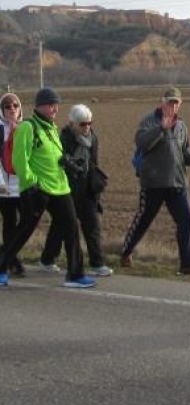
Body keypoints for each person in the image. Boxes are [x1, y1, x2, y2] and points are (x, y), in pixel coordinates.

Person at [0, 87, 96, 288]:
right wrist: (30, 183)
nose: (55, 108)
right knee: (24, 229)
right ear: (40, 106)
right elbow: (19, 159)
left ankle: (75, 275)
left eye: (56, 104)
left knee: (71, 227)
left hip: (60, 187)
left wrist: (69, 164)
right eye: (51, 104)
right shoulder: (28, 127)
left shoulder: (51, 127)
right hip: (39, 188)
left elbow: (54, 155)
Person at [120, 87, 190, 274]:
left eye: (176, 103)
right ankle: (126, 252)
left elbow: (184, 152)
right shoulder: (149, 121)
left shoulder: (182, 126)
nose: (173, 106)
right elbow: (142, 143)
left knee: (187, 220)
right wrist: (161, 128)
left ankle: (188, 265)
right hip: (153, 183)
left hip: (177, 183)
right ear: (162, 102)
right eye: (170, 102)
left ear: (180, 104)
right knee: (143, 220)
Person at [39, 104, 113, 276]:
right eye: (82, 124)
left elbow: (94, 162)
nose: (87, 127)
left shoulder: (93, 139)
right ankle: (47, 259)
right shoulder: (63, 138)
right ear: (73, 124)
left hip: (87, 190)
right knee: (60, 225)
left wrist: (96, 184)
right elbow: (58, 162)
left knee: (92, 225)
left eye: (89, 123)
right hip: (67, 189)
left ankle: (97, 263)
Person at [0, 92, 26, 277]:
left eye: (15, 105)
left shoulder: (26, 128)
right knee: (10, 222)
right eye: (7, 106)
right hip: (4, 187)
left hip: (22, 186)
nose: (12, 109)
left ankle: (6, 253)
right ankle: (13, 261)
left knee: (25, 222)